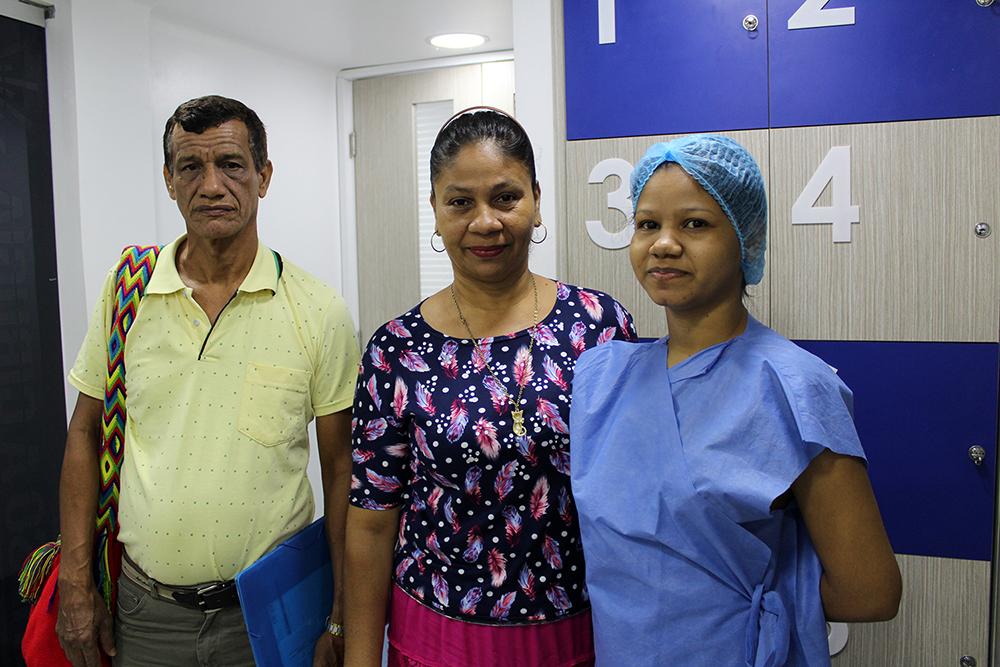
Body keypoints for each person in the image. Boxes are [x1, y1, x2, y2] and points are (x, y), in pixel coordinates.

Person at [569, 134, 902, 666]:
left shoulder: (794, 388)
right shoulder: (601, 378)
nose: (664, 243)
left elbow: (870, 591)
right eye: (648, 223)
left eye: (695, 223)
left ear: (745, 239)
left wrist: (727, 613)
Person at [55, 95, 360, 667]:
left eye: (232, 165)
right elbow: (85, 434)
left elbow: (342, 468)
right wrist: (76, 579)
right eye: (191, 167)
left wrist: (341, 614)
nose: (212, 185)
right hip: (145, 618)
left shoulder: (318, 310)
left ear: (263, 177)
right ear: (170, 180)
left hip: (270, 614)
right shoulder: (127, 294)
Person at [343, 108, 637, 667]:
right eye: (460, 202)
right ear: (434, 210)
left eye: (505, 197)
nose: (486, 222)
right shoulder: (395, 349)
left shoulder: (599, 327)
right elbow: (371, 522)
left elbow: (636, 495)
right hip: (436, 638)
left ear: (536, 200)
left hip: (578, 633)